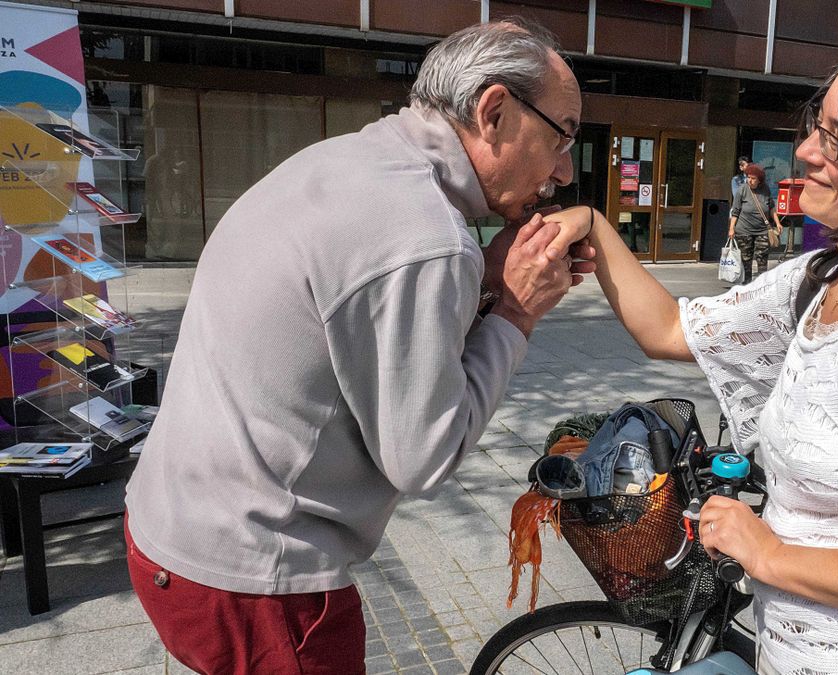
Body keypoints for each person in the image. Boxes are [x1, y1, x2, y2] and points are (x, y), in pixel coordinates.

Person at [546, 29, 838, 674]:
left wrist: (765, 552)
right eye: (814, 128)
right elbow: (668, 328)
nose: (803, 152)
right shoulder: (817, 281)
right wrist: (592, 224)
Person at [124, 20, 593, 674]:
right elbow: (425, 456)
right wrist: (516, 310)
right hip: (255, 579)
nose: (566, 168)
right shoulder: (426, 234)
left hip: (173, 530)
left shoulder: (359, 160)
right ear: (493, 112)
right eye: (563, 133)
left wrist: (485, 281)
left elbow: (360, 334)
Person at [728, 163, 784, 282]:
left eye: (753, 178)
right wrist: (731, 228)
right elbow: (735, 211)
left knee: (762, 259)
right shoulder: (742, 189)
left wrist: (777, 223)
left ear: (759, 180)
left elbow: (771, 208)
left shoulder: (765, 190)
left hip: (762, 230)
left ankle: (761, 284)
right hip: (744, 230)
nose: (750, 180)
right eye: (749, 177)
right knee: (745, 260)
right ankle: (746, 284)